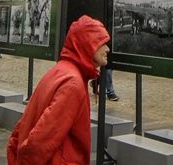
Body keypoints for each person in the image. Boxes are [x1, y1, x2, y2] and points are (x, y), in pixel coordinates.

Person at [7, 15, 110, 165]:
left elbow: (24, 124)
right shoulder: (73, 83)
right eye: (102, 42)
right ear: (87, 44)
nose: (107, 49)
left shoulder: (61, 70)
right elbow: (44, 135)